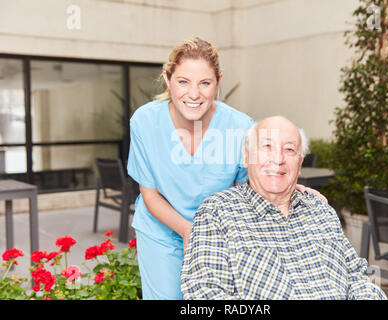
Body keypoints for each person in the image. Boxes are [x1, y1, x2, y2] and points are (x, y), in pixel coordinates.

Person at [127, 38, 327, 300]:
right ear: (167, 79)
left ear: (218, 82)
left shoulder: (241, 126)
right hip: (161, 231)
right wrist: (189, 232)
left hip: (218, 234)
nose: (194, 94)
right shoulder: (144, 121)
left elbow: (250, 186)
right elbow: (150, 195)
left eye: (205, 83)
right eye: (183, 81)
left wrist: (285, 187)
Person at [181, 116, 387, 300]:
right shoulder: (218, 211)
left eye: (289, 150)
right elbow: (204, 292)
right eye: (267, 147)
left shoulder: (321, 211)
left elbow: (358, 276)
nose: (278, 160)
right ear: (246, 156)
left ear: (300, 162)